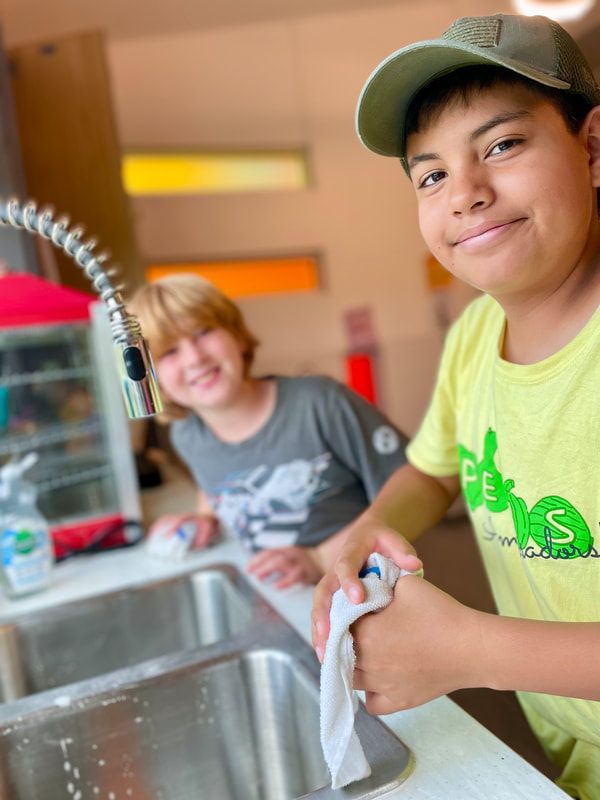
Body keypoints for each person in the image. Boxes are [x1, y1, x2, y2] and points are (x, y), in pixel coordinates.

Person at [311, 13, 600, 800]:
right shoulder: (476, 336)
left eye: (502, 145)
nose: (466, 193)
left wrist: (473, 650)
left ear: (593, 148)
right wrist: (380, 522)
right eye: (431, 175)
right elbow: (430, 471)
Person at [130, 274, 409, 589]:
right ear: (151, 379)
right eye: (169, 352)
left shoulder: (320, 403)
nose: (195, 357)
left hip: (373, 592)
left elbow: (411, 488)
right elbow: (213, 484)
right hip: (288, 600)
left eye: (204, 332)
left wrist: (321, 557)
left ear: (238, 336)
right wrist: (205, 519)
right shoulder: (187, 436)